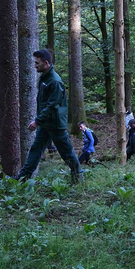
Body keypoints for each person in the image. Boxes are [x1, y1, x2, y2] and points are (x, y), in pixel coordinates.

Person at [15, 49, 83, 183]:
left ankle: (78, 179)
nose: (35, 65)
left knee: (67, 153)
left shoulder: (55, 82)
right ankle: (22, 179)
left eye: (37, 63)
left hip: (55, 124)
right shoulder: (44, 77)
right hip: (46, 123)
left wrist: (37, 121)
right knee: (36, 150)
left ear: (46, 63)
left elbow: (52, 106)